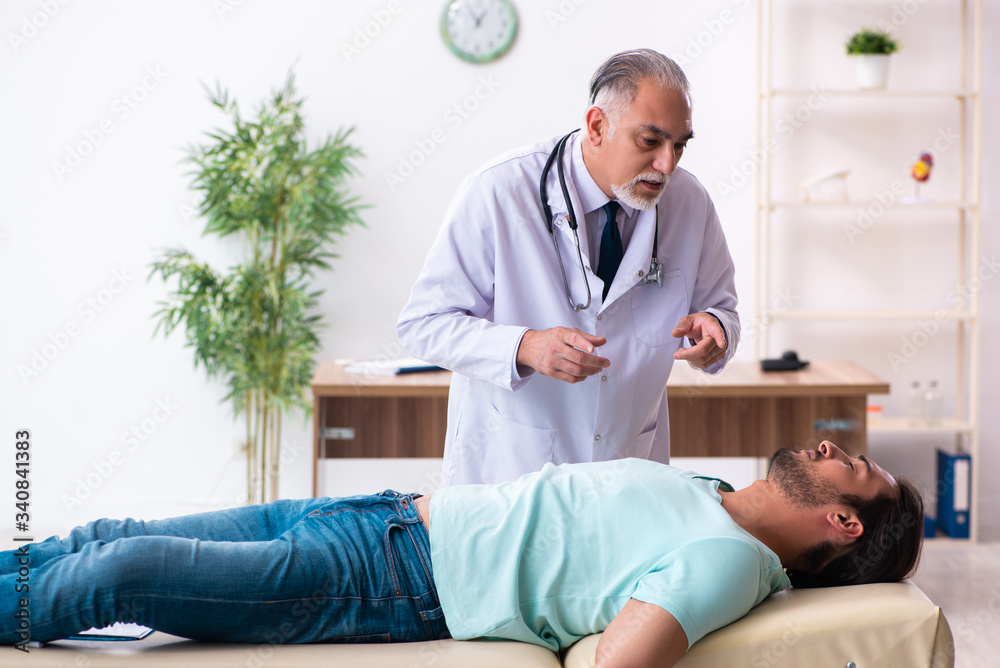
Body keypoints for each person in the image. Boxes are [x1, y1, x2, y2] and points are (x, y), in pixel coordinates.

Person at [2, 441, 923, 668]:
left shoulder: (728, 564)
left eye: (856, 469)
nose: (830, 447)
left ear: (846, 525)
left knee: (119, 578)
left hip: (389, 578)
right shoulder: (708, 495)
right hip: (376, 514)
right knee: (108, 539)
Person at [397, 49, 740, 486]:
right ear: (597, 126)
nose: (667, 164)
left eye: (679, 145)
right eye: (650, 141)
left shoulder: (689, 202)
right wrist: (525, 347)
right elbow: (422, 324)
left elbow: (721, 308)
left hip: (628, 469)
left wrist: (716, 329)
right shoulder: (500, 191)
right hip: (513, 472)